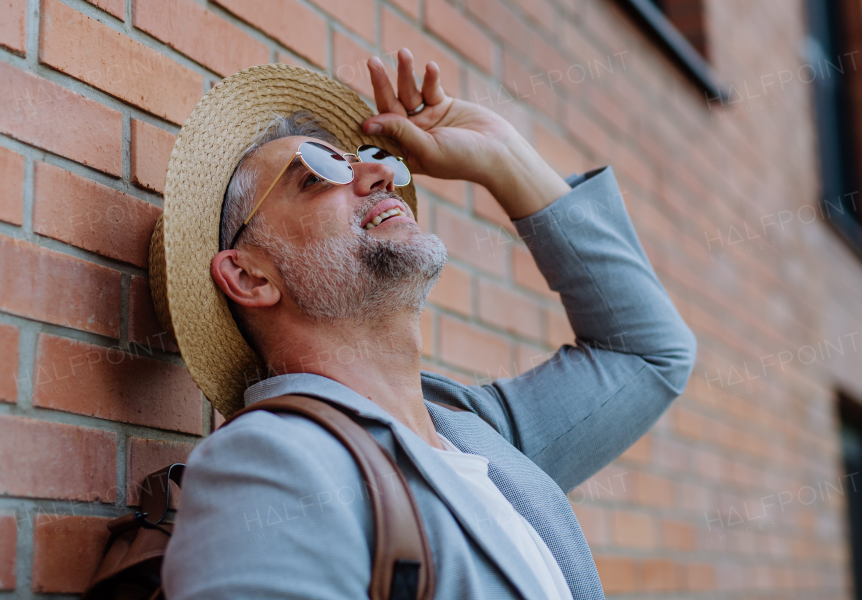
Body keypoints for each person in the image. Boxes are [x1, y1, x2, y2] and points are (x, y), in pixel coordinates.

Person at [153, 51, 697, 600]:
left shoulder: (479, 435)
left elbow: (646, 355)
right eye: (319, 175)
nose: (380, 171)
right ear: (249, 277)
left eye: (366, 157)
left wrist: (503, 156)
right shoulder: (267, 464)